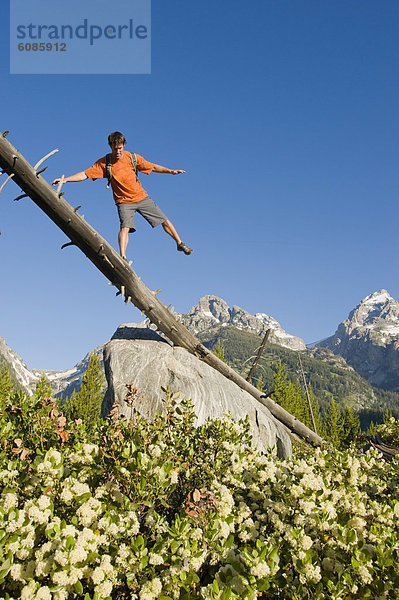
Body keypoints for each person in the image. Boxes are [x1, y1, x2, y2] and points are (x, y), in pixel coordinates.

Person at [52, 131, 193, 260]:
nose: (118, 151)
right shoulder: (104, 162)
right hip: (123, 202)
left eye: (120, 148)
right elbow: (85, 174)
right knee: (125, 227)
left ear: (124, 145)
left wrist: (170, 171)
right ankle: (123, 257)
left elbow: (153, 166)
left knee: (164, 220)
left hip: (142, 197)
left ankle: (180, 243)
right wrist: (65, 179)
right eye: (115, 148)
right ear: (110, 146)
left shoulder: (132, 158)